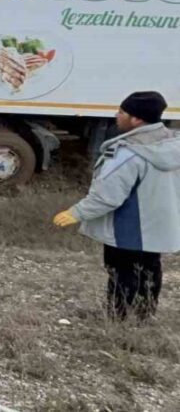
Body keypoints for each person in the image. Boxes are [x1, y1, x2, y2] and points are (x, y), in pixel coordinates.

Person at [53, 91, 180, 320]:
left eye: (122, 112)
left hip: (129, 228)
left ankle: (117, 320)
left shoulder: (128, 153)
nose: (116, 115)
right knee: (150, 270)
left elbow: (108, 196)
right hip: (159, 226)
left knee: (122, 273)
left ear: (137, 119)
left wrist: (76, 213)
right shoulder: (173, 145)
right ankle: (144, 317)